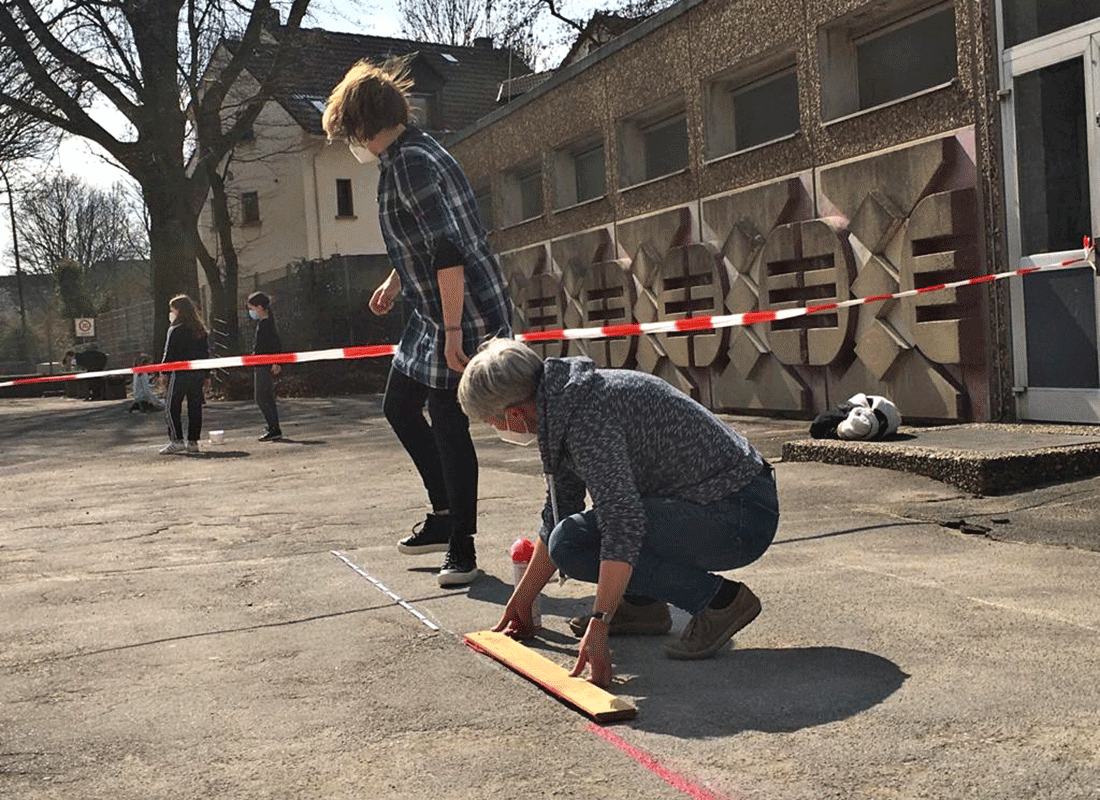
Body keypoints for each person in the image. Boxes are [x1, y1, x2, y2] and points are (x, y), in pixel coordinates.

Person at [457, 339, 780, 688]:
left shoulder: (587, 419)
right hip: (718, 505)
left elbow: (622, 523)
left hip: (739, 516)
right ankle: (642, 606)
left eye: (492, 422)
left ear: (515, 414)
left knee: (574, 543)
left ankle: (720, 601)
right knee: (567, 536)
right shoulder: (563, 406)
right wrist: (522, 599)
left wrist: (601, 621)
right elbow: (558, 511)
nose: (496, 429)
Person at [322, 58, 511, 587]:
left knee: (449, 423)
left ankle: (463, 547)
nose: (350, 146)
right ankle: (444, 512)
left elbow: (448, 250)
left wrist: (454, 333)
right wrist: (395, 280)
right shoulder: (410, 154)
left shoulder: (412, 164)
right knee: (399, 405)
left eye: (348, 134)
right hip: (432, 309)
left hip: (464, 310)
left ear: (364, 125)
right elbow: (422, 239)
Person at [159, 295, 209, 455]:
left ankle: (176, 440)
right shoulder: (199, 329)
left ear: (178, 311)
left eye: (172, 310)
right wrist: (206, 374)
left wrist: (164, 372)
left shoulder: (175, 329)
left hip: (180, 373)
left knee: (171, 406)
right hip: (197, 373)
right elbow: (205, 353)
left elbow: (169, 352)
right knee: (195, 407)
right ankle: (193, 441)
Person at [246, 291, 284, 442]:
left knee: (261, 398)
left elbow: (275, 343)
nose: (251, 312)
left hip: (264, 364)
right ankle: (273, 426)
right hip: (261, 362)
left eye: (252, 308)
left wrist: (276, 361)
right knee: (267, 397)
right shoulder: (265, 322)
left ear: (260, 307)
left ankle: (274, 428)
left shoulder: (266, 324)